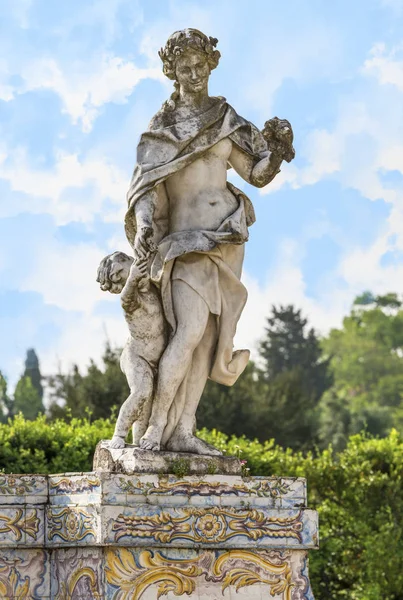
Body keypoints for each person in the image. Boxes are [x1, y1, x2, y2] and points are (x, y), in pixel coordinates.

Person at [124, 28, 294, 454]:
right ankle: (155, 428)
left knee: (207, 338)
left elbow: (255, 173)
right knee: (190, 329)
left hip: (226, 240)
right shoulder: (162, 129)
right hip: (184, 243)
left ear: (210, 65)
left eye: (201, 66)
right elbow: (145, 189)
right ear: (172, 71)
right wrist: (145, 225)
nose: (195, 73)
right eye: (186, 67)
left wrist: (276, 151)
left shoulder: (224, 118)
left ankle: (183, 430)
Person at [96, 251, 167, 448]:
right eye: (117, 276)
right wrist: (133, 279)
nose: (124, 274)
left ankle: (138, 442)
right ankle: (119, 434)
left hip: (158, 359)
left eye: (122, 269)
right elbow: (125, 299)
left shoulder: (153, 285)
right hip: (137, 356)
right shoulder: (130, 298)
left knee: (146, 409)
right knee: (141, 392)